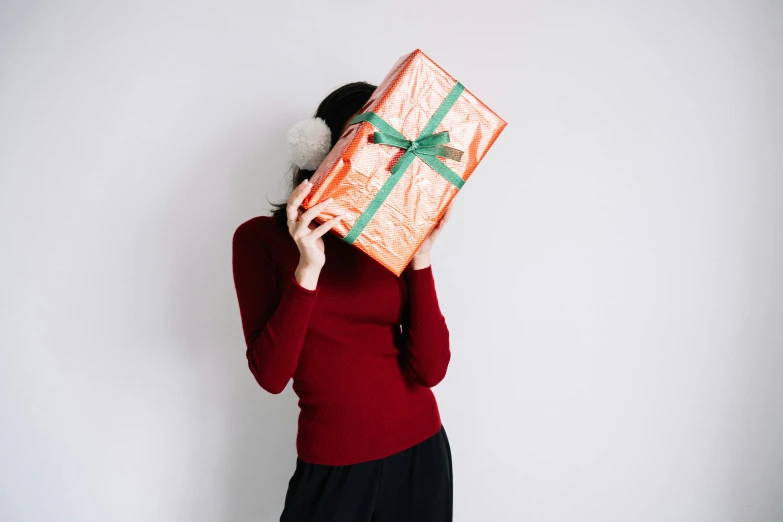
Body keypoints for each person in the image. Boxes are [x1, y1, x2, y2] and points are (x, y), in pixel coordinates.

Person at [231, 81, 454, 522]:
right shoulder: (258, 240)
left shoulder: (391, 236)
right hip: (332, 468)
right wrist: (308, 269)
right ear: (321, 148)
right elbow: (272, 375)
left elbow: (430, 369)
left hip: (421, 455)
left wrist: (421, 257)